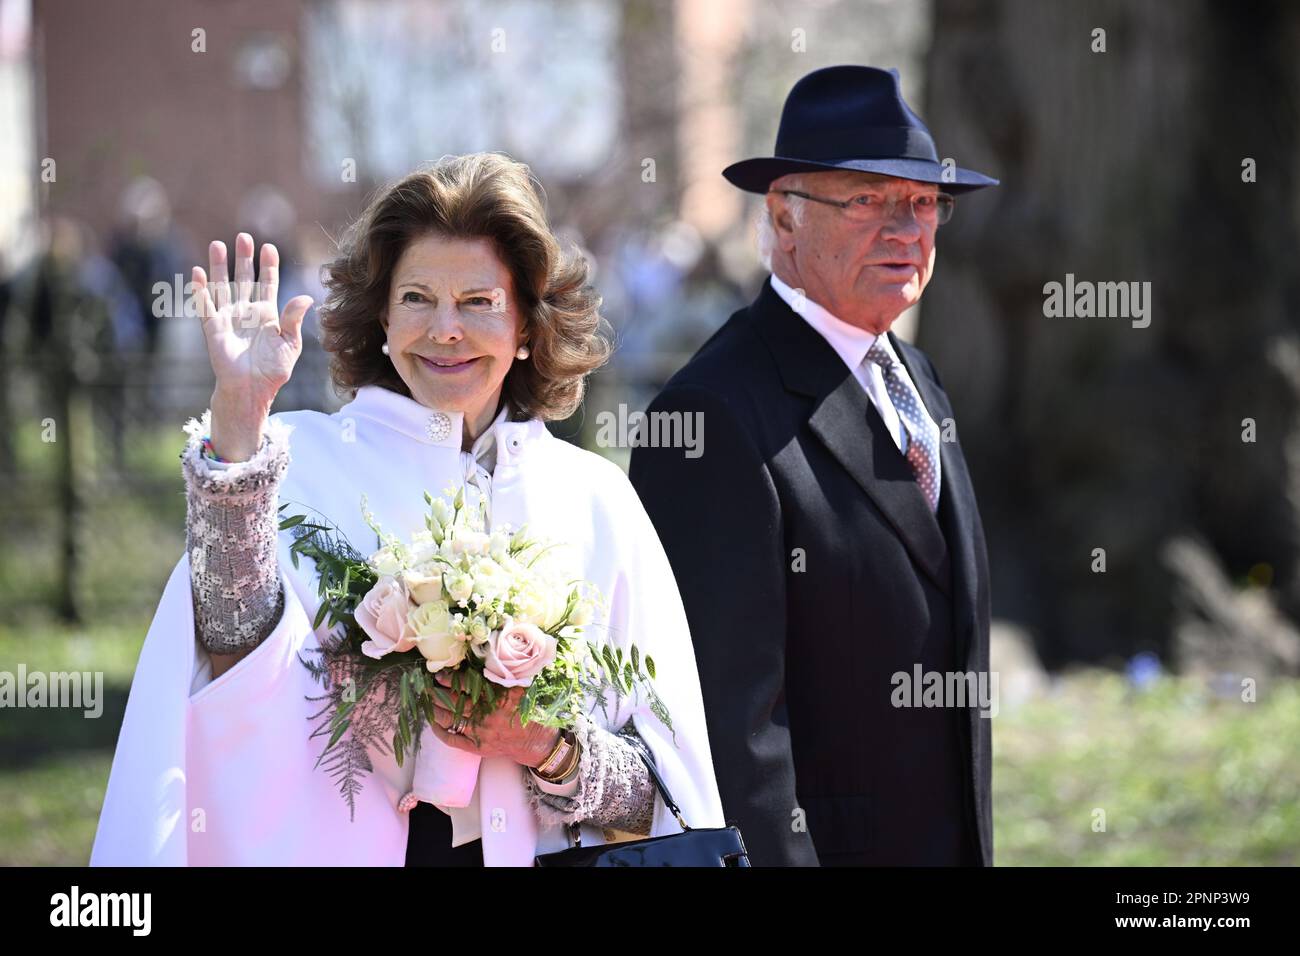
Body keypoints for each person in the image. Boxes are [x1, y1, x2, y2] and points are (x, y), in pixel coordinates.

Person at [91, 153, 724, 866]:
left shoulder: (597, 499)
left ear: (526, 325)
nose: (444, 330)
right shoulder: (299, 458)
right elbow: (233, 664)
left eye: (478, 302)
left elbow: (661, 797)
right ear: (382, 319)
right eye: (417, 298)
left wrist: (545, 747)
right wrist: (237, 423)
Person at [629, 66, 999, 866]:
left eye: (925, 203)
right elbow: (729, 734)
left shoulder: (916, 377)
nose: (907, 229)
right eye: (867, 200)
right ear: (784, 219)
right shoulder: (711, 416)